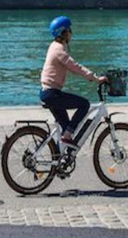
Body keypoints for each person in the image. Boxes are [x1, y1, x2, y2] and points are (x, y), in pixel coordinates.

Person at [40, 16, 108, 147]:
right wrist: (95, 78)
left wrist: (88, 77)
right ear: (63, 33)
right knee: (84, 104)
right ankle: (66, 137)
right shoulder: (59, 50)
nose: (71, 33)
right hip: (52, 94)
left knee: (68, 128)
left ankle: (61, 158)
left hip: (49, 92)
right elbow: (75, 66)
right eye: (69, 30)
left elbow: (70, 68)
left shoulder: (55, 46)